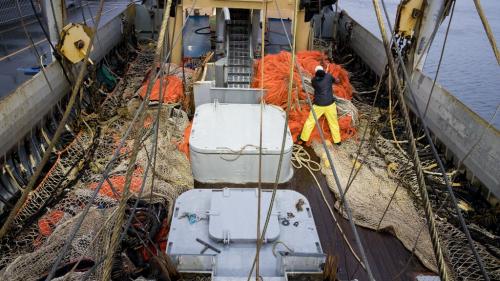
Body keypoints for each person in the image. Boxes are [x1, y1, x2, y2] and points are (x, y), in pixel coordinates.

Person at [299, 65, 342, 145]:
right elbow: (336, 81)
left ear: (316, 73)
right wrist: (337, 80)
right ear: (323, 71)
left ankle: (303, 139)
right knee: (333, 123)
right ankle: (338, 141)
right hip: (330, 105)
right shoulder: (328, 76)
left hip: (318, 106)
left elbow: (317, 82)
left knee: (310, 121)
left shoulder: (314, 80)